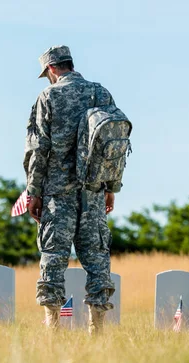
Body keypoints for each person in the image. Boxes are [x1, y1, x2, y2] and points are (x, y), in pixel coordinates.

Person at [24, 45, 121, 335]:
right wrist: (110, 186)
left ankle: (52, 330)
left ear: (52, 69)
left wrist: (34, 192)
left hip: (57, 193)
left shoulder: (49, 97)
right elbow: (113, 145)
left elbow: (37, 149)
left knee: (53, 258)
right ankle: (97, 330)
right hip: (93, 191)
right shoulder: (100, 93)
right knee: (97, 259)